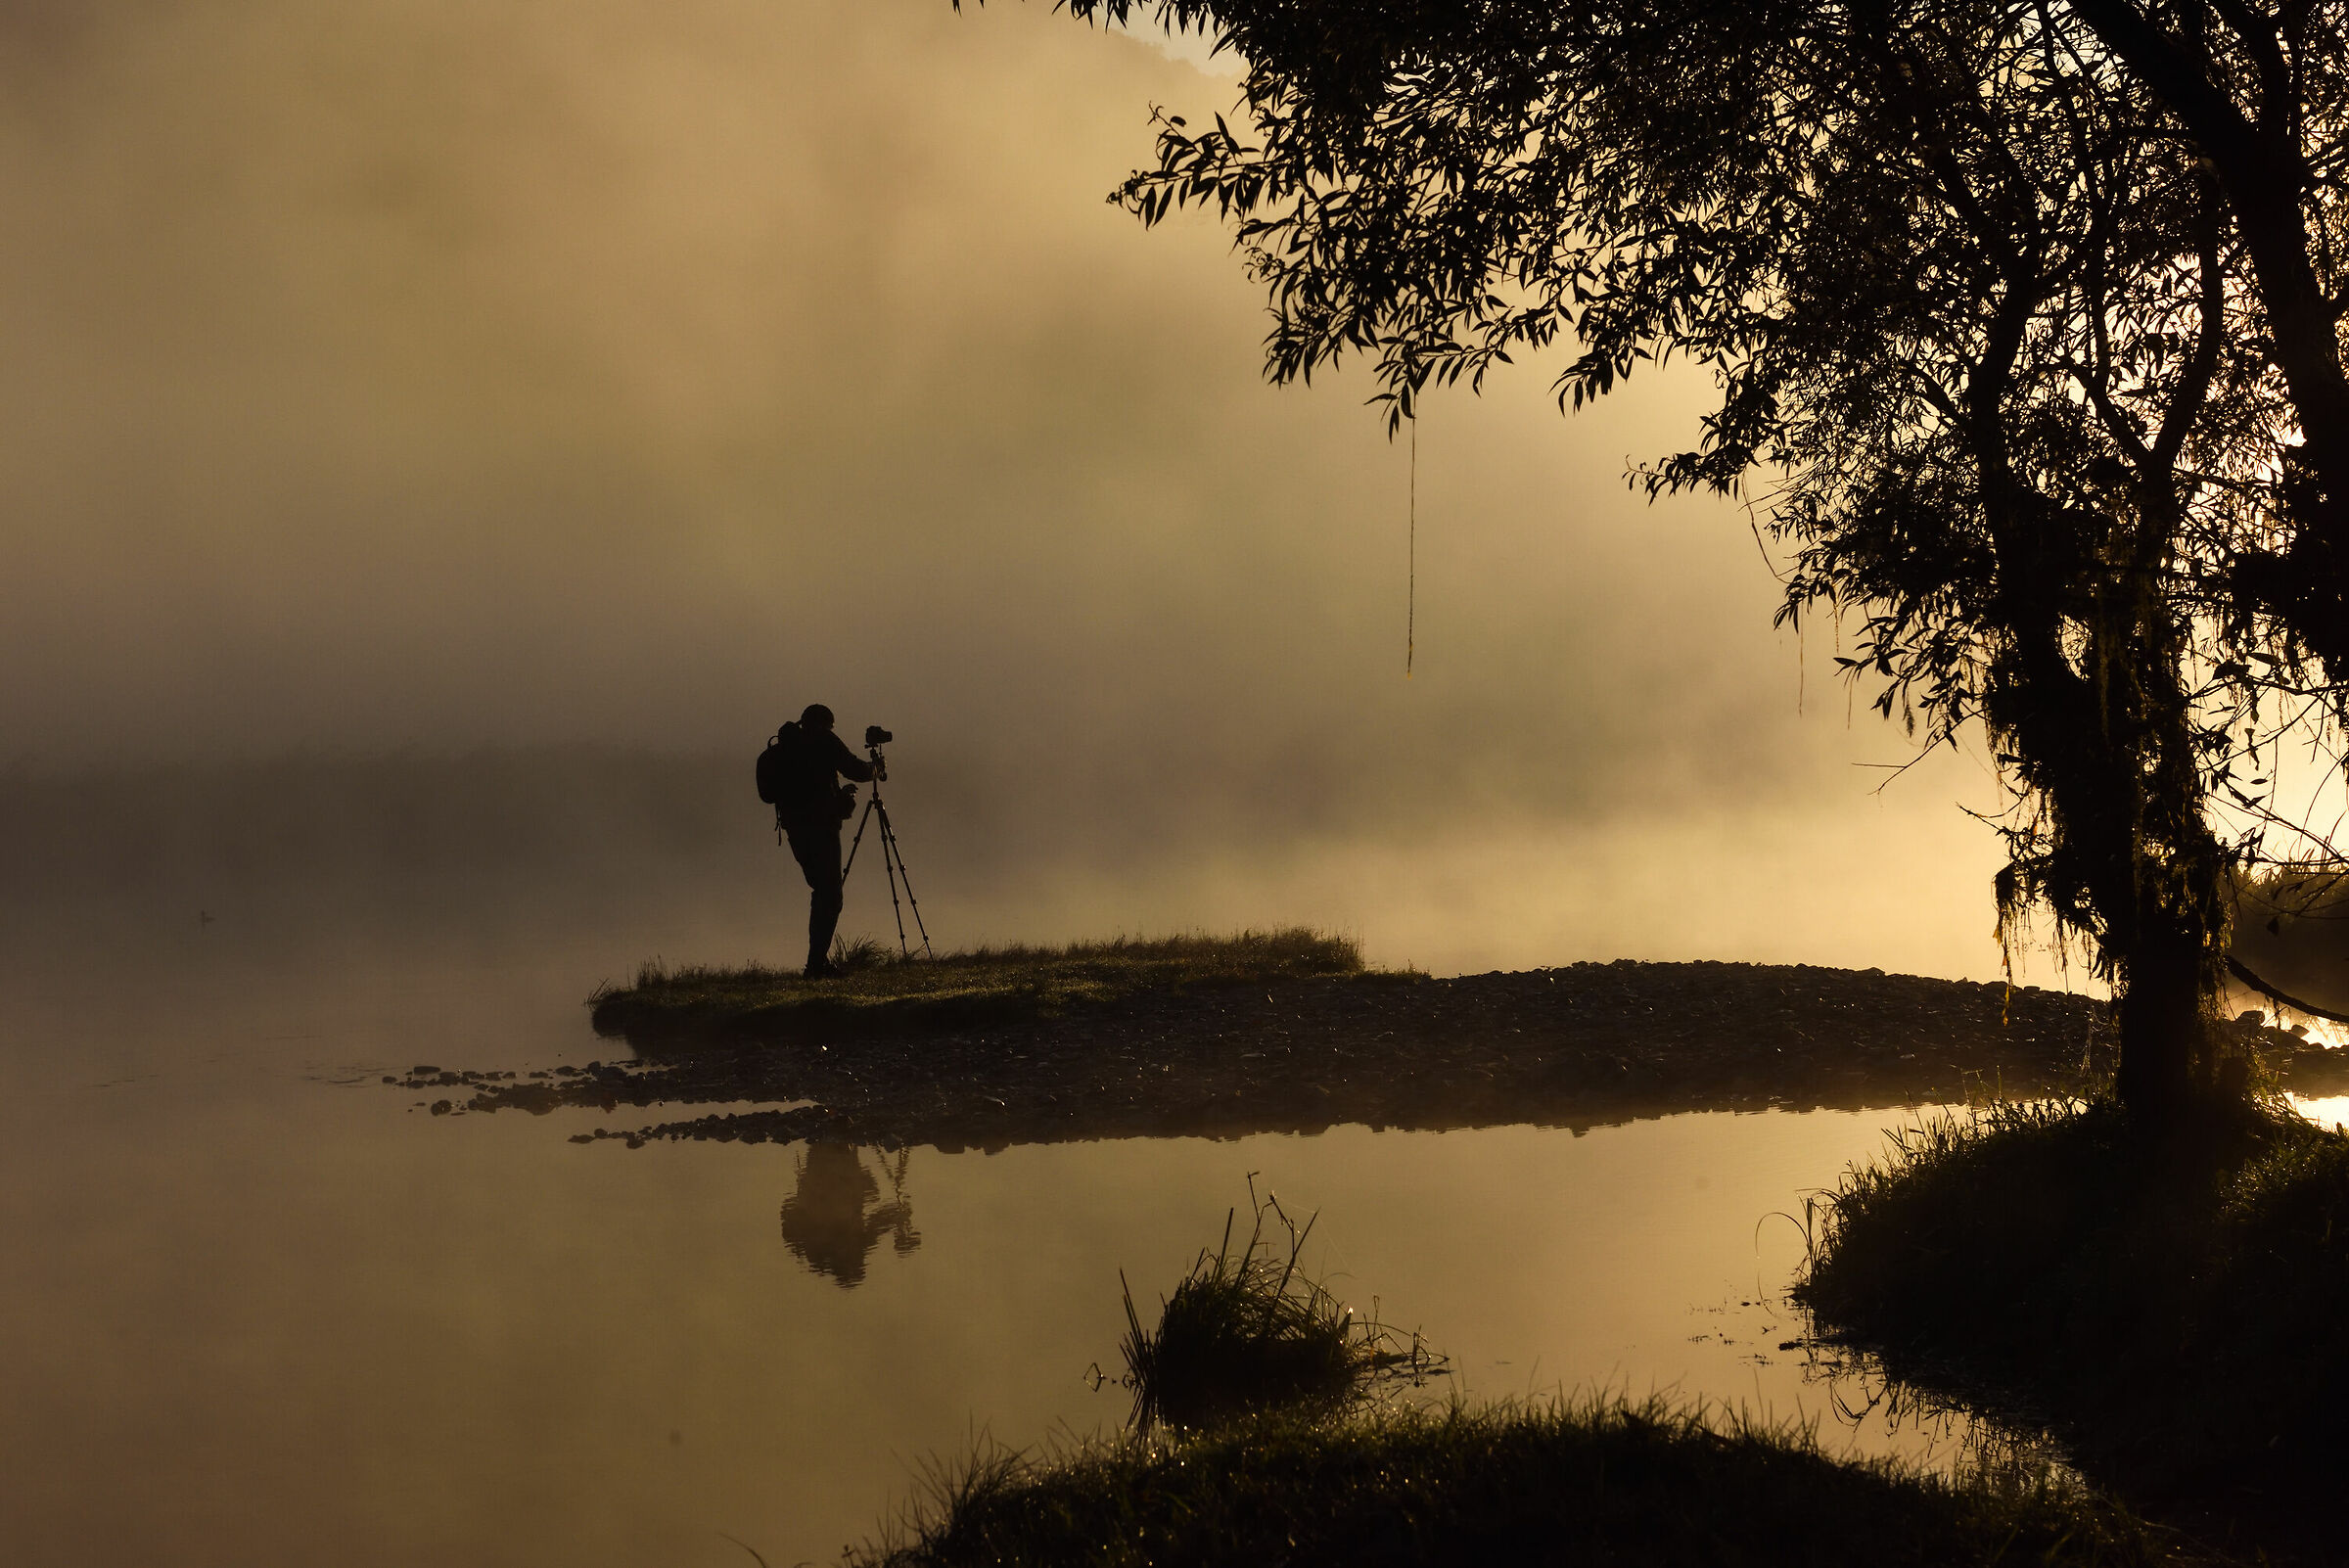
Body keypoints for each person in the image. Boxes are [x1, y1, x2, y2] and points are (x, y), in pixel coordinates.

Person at [764, 703, 873, 977]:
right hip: (821, 829)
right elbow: (855, 769)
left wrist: (837, 795)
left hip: (795, 830)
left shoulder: (790, 747)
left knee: (821, 890)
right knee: (830, 894)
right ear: (826, 724)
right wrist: (875, 768)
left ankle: (817, 962)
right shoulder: (823, 739)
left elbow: (811, 787)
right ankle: (816, 965)